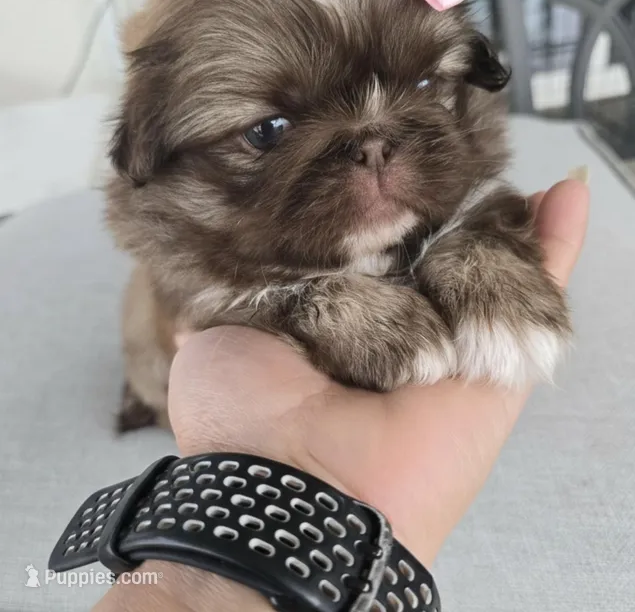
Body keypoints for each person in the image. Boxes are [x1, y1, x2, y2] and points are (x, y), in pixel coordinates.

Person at [95, 179, 589, 612]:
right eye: (269, 130)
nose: (373, 150)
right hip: (174, 362)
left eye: (422, 86)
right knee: (152, 371)